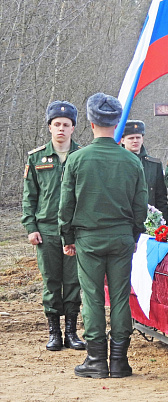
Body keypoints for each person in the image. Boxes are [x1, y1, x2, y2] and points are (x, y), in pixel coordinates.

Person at [59, 93, 148, 378]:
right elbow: (140, 205)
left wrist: (67, 237)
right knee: (121, 296)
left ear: (89, 122)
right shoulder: (132, 160)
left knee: (93, 297)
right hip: (122, 237)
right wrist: (133, 235)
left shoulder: (76, 159)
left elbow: (66, 205)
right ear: (117, 122)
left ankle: (96, 360)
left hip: (88, 239)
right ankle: (120, 362)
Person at [22, 101, 86, 352]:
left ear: (73, 128)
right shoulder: (36, 158)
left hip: (74, 230)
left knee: (73, 281)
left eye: (66, 125)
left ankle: (71, 331)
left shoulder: (82, 156)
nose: (61, 128)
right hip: (46, 229)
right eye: (56, 124)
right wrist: (30, 227)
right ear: (49, 127)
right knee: (51, 281)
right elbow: (30, 196)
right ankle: (54, 332)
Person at [121, 120, 168, 224]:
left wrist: (164, 226)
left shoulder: (154, 165)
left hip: (149, 222)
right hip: (123, 221)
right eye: (131, 138)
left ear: (142, 139)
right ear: (122, 140)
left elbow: (161, 199)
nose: (135, 141)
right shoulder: (115, 163)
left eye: (138, 137)